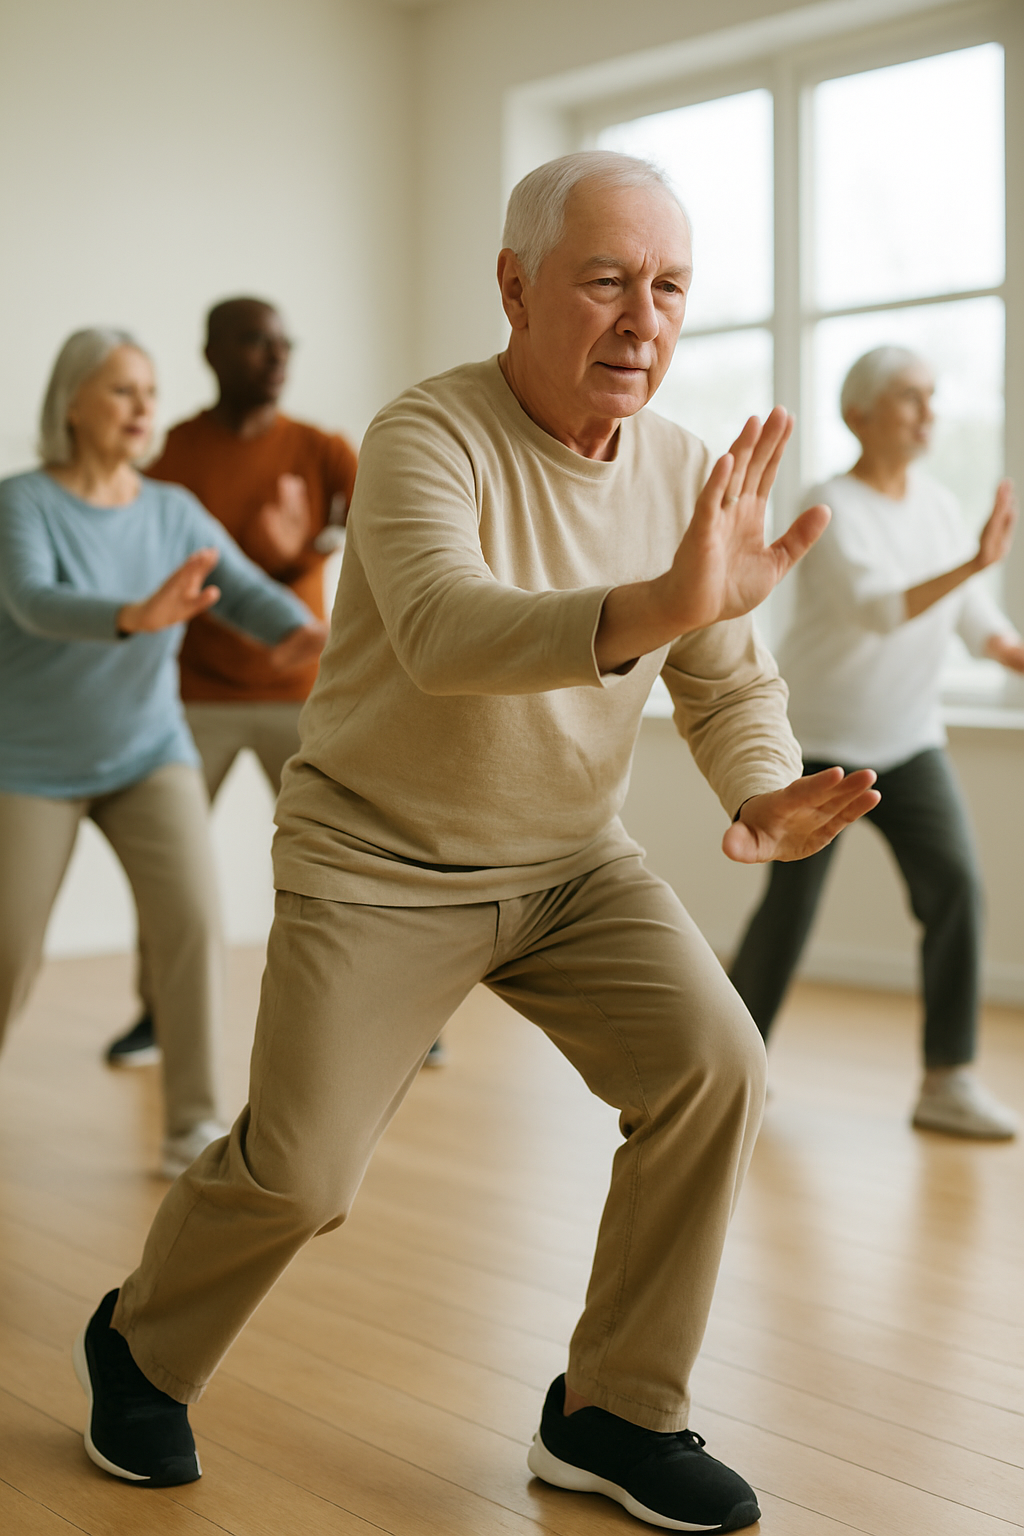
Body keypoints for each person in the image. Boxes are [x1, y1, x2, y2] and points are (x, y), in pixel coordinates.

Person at [74, 152, 879, 1533]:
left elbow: (727, 680)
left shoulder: (682, 469)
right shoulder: (425, 435)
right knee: (300, 1177)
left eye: (670, 288)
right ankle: (139, 1346)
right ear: (514, 286)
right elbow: (448, 635)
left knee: (716, 1069)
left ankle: (614, 1411)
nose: (643, 320)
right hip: (377, 859)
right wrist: (662, 600)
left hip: (570, 863)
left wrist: (760, 789)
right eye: (607, 281)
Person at [0, 328, 326, 1177]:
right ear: (73, 403)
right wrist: (131, 615)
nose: (144, 407)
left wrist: (304, 635)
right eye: (122, 391)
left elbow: (243, 593)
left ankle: (191, 1124)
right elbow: (32, 600)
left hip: (147, 751)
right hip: (30, 763)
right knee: (9, 950)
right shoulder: (22, 504)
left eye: (149, 391)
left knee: (191, 925)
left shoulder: (172, 510)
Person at [729, 345, 1023, 1140]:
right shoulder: (830, 505)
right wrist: (975, 561)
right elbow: (879, 609)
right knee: (789, 910)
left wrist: (1009, 646)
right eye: (909, 397)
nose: (929, 412)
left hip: (910, 742)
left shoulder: (938, 505)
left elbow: (978, 623)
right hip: (821, 744)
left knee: (956, 887)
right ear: (858, 414)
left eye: (932, 396)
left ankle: (948, 1080)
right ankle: (730, 1065)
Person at [104, 297, 358, 1068]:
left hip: (303, 693)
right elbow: (140, 553)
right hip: (195, 696)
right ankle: (157, 1015)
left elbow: (389, 527)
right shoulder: (173, 455)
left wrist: (306, 550)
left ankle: (384, 1006)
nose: (276, 357)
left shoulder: (320, 448)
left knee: (350, 854)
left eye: (284, 343)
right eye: (254, 342)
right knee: (168, 864)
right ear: (213, 354)